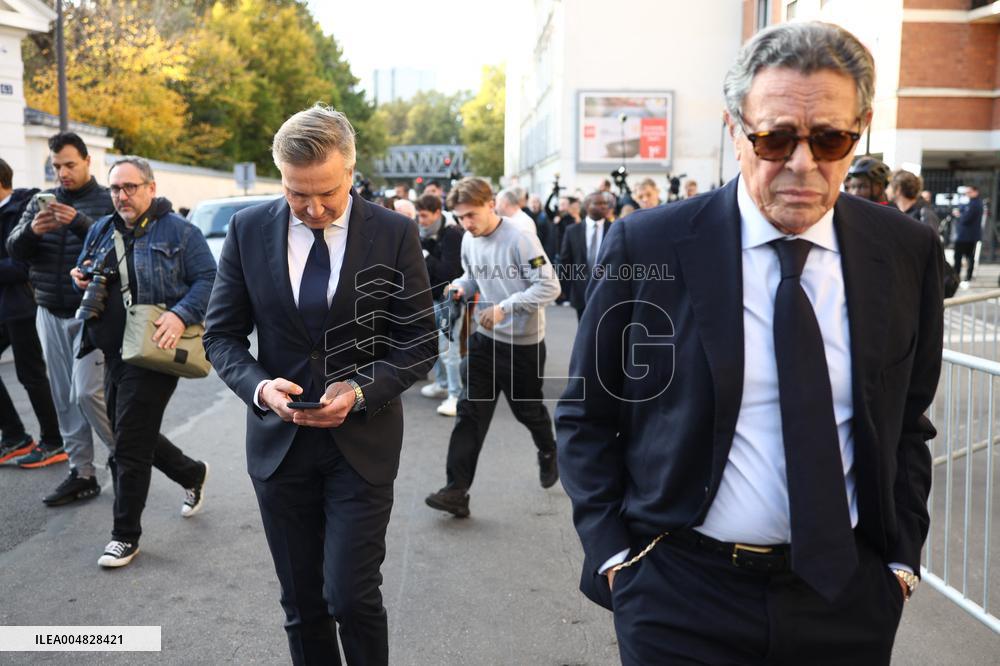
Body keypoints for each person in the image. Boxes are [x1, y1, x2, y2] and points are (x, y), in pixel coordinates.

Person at [556, 22, 943, 664]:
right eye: (775, 137)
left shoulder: (905, 251)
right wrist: (616, 558)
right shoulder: (647, 246)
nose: (801, 163)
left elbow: (906, 421)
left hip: (847, 597)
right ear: (734, 129)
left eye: (829, 138)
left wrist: (900, 559)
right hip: (679, 593)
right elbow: (586, 415)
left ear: (862, 129)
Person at [203, 104, 436, 665]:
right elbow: (222, 337)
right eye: (295, 192)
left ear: (351, 172)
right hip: (279, 451)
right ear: (279, 176)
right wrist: (261, 388)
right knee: (303, 605)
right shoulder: (247, 228)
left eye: (326, 193)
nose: (311, 208)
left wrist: (358, 392)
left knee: (351, 598)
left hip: (362, 447)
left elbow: (419, 343)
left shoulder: (395, 233)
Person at [71, 158, 214, 567]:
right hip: (112, 353)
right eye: (116, 188)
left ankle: (124, 536)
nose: (122, 196)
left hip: (155, 352)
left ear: (151, 187)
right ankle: (192, 474)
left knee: (128, 446)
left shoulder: (181, 232)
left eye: (130, 187)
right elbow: (85, 268)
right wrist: (79, 276)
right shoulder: (101, 228)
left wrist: (180, 313)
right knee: (133, 432)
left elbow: (210, 279)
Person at [424, 177, 561, 518]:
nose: (466, 224)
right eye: (460, 218)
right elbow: (472, 276)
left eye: (471, 215)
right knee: (470, 415)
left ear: (490, 204)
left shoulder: (521, 238)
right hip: (484, 342)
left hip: (523, 345)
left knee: (527, 411)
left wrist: (506, 306)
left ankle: (548, 450)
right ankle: (456, 491)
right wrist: (458, 286)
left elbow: (550, 286)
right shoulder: (470, 240)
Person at [7, 133, 115, 500]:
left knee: (89, 394)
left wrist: (80, 223)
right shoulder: (38, 203)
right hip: (49, 310)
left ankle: (124, 458)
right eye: (56, 166)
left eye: (70, 164)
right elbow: (15, 249)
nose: (63, 172)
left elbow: (120, 245)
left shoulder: (107, 199)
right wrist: (33, 231)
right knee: (64, 397)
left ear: (87, 161)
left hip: (94, 313)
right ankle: (81, 471)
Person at [0, 160, 65, 474]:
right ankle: (14, 435)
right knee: (30, 374)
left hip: (21, 305)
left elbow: (21, 266)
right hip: (3, 306)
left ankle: (54, 441)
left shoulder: (24, 210)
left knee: (31, 375)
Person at [415, 193, 466, 416]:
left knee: (449, 348)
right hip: (429, 297)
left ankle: (456, 395)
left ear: (437, 212)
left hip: (449, 297)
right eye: (419, 216)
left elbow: (448, 272)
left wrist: (425, 256)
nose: (421, 221)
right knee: (435, 346)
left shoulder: (453, 234)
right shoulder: (422, 233)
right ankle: (442, 384)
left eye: (425, 216)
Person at [559, 191, 613, 320]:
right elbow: (566, 261)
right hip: (581, 292)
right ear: (588, 206)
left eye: (605, 203)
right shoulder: (572, 231)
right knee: (584, 332)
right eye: (598, 203)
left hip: (607, 292)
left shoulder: (614, 228)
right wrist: (562, 288)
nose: (604, 206)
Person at [952, 184, 982, 286]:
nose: (967, 194)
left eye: (969, 192)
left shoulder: (975, 204)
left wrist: (959, 214)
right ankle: (959, 276)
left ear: (975, 192)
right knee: (964, 257)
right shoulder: (970, 203)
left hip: (966, 236)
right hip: (966, 236)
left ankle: (961, 277)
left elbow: (965, 218)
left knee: (964, 257)